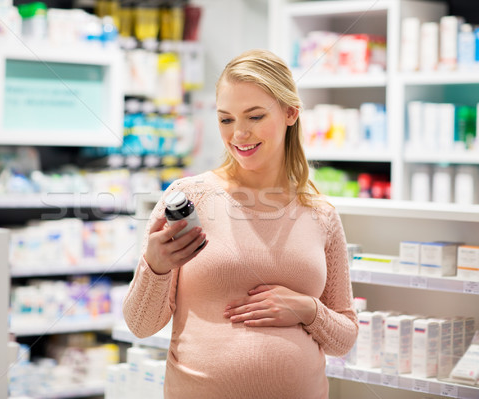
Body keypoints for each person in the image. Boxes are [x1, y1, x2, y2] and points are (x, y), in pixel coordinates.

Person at [122, 49, 358, 398]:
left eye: (255, 116)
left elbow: (345, 338)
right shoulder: (190, 198)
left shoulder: (320, 213)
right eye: (226, 119)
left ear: (291, 112)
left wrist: (308, 310)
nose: (239, 134)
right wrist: (154, 267)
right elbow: (141, 325)